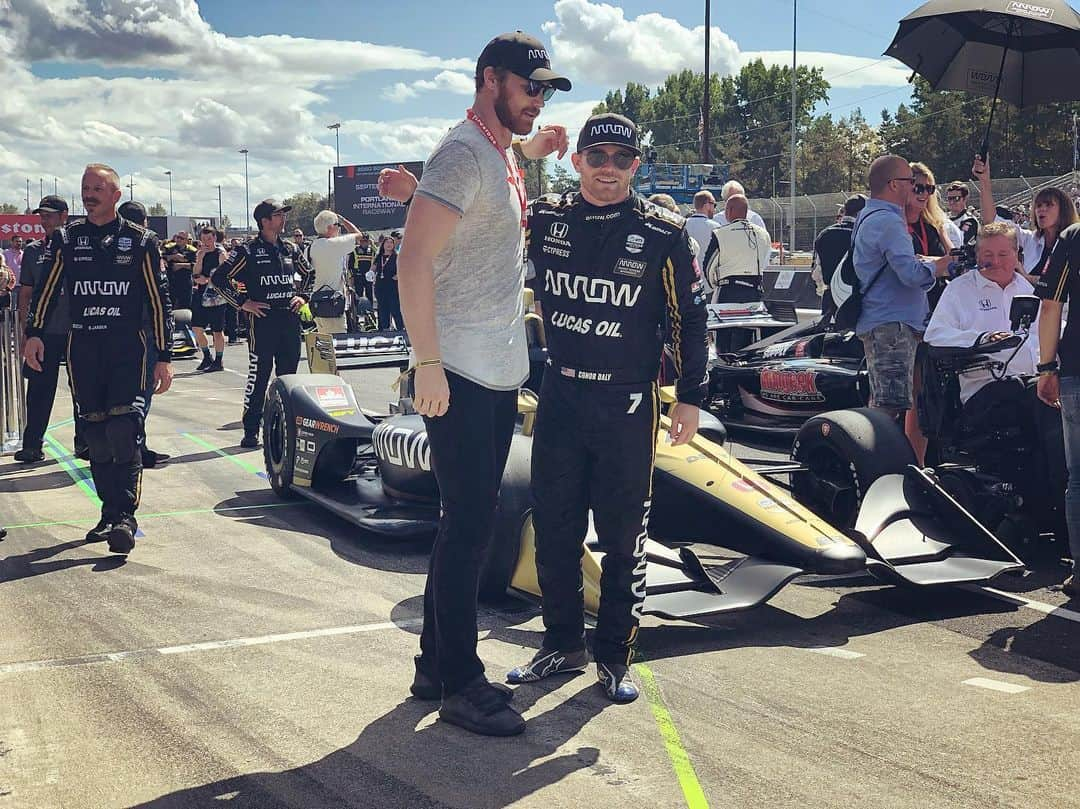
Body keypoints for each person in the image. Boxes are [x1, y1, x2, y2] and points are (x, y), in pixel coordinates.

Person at [377, 29, 571, 736]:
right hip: (456, 367)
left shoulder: (496, 149)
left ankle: (434, 663)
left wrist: (536, 146)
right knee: (469, 529)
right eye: (529, 88)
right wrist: (427, 362)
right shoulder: (463, 153)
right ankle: (460, 678)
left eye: (544, 90)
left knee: (465, 521)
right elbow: (412, 260)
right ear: (490, 80)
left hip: (491, 366)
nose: (537, 100)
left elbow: (505, 159)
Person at [506, 113, 707, 704]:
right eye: (597, 157)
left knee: (623, 539)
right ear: (577, 162)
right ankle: (562, 644)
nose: (609, 169)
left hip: (628, 403)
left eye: (622, 158)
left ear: (636, 166)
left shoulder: (666, 232)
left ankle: (614, 657)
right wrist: (523, 149)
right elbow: (484, 200)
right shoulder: (545, 218)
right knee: (555, 532)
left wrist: (691, 396)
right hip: (562, 397)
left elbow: (691, 320)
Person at [24, 163, 173, 554]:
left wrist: (164, 354)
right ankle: (109, 513)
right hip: (83, 348)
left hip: (128, 348)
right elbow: (46, 290)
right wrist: (34, 334)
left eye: (98, 188)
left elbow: (160, 300)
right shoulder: (67, 238)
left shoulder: (141, 240)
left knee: (124, 429)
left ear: (115, 195)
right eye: (85, 188)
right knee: (95, 435)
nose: (89, 195)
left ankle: (124, 516)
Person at [926, 221, 1064, 535]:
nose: (996, 261)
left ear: (1017, 254)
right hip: (984, 393)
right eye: (988, 254)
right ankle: (1064, 497)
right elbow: (935, 337)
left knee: (1060, 396)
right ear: (977, 255)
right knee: (1042, 400)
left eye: (1004, 253)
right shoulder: (960, 290)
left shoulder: (1029, 291)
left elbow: (1056, 333)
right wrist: (982, 338)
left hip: (1032, 384)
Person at [854, 155, 951, 428]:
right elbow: (909, 274)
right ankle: (876, 465)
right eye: (911, 182)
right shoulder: (889, 221)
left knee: (885, 404)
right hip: (892, 325)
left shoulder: (867, 216)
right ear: (895, 184)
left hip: (883, 321)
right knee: (888, 408)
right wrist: (939, 267)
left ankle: (877, 462)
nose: (916, 189)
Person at [211, 199, 313, 449]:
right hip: (263, 322)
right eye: (278, 215)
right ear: (264, 221)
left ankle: (286, 427)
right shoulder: (247, 250)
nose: (283, 219)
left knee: (289, 379)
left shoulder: (290, 248)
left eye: (282, 214)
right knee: (259, 376)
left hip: (289, 319)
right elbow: (219, 278)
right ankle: (250, 429)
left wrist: (303, 296)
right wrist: (243, 302)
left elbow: (309, 273)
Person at [1034, 221, 1080, 599]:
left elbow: (1050, 305)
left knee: (1079, 475)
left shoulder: (1073, 237)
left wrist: (1046, 367)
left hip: (1078, 368)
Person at [14, 196, 78, 463]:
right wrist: (25, 331)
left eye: (50, 215)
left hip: (78, 329)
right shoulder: (33, 251)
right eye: (42, 216)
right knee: (39, 388)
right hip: (44, 331)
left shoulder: (80, 246)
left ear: (64, 216)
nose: (45, 221)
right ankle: (32, 444)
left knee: (83, 389)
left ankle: (85, 442)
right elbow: (26, 293)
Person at [116, 200, 171, 468]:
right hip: (143, 331)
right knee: (140, 395)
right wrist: (165, 348)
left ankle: (125, 447)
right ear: (144, 222)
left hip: (113, 331)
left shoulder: (107, 248)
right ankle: (136, 449)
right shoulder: (146, 246)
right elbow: (160, 298)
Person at [974, 154, 1078, 280]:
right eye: (1038, 205)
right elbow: (991, 221)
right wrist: (984, 181)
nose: (1041, 209)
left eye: (1048, 205)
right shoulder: (1031, 240)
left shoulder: (1074, 245)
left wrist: (1025, 278)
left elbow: (1065, 285)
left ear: (1064, 210)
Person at [701, 194, 771, 304]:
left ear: (729, 210)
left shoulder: (720, 234)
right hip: (755, 292)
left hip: (728, 291)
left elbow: (708, 266)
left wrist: (715, 284)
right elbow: (765, 261)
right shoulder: (763, 234)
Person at [308, 209, 366, 334]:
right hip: (332, 303)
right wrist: (344, 221)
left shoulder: (310, 247)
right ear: (330, 228)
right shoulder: (333, 244)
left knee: (324, 343)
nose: (339, 228)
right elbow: (359, 236)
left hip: (317, 302)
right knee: (337, 344)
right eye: (337, 225)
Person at [812, 193, 866, 317]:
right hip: (856, 301)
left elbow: (816, 273)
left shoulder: (824, 234)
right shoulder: (863, 235)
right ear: (862, 213)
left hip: (829, 300)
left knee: (828, 335)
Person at [192, 226, 228, 371]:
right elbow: (195, 273)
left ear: (214, 238)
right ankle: (207, 357)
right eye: (204, 238)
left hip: (216, 297)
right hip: (201, 295)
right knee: (197, 328)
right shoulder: (200, 253)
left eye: (209, 238)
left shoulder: (220, 253)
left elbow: (225, 274)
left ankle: (219, 360)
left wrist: (207, 279)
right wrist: (199, 259)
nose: (206, 242)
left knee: (217, 331)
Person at [373, 236, 402, 330]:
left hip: (393, 285)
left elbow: (403, 269)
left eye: (391, 243)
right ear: (383, 244)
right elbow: (373, 268)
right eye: (387, 243)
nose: (389, 245)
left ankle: (400, 328)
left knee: (395, 307)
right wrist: (370, 274)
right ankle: (384, 328)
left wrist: (398, 275)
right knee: (382, 307)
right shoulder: (379, 257)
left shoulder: (397, 256)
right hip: (380, 286)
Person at [685, 190, 719, 265]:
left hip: (687, 273)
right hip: (707, 274)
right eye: (714, 205)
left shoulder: (683, 225)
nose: (715, 209)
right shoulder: (716, 227)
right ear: (707, 205)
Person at [944, 181, 979, 249]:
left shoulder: (970, 221)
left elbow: (962, 244)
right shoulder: (943, 218)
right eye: (949, 198)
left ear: (965, 198)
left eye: (956, 198)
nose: (952, 202)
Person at [349, 232, 376, 303]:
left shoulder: (372, 250)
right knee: (358, 294)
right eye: (362, 241)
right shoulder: (354, 250)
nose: (364, 243)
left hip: (368, 276)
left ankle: (370, 310)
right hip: (358, 275)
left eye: (366, 241)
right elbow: (350, 265)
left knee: (369, 294)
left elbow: (379, 255)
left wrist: (372, 245)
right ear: (359, 241)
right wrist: (351, 276)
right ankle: (358, 311)